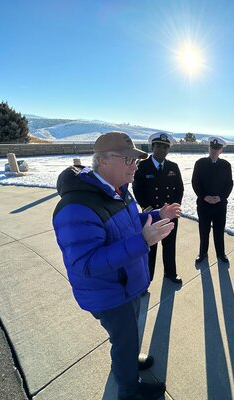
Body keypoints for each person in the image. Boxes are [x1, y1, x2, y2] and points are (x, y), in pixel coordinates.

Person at [53, 131, 181, 400]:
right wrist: (142, 242)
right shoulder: (77, 206)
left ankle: (130, 361)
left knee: (130, 336)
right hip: (109, 294)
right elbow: (86, 263)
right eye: (128, 159)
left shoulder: (119, 191)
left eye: (135, 159)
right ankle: (129, 390)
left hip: (126, 286)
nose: (135, 164)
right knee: (123, 342)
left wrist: (158, 214)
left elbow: (131, 222)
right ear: (103, 161)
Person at [132, 132, 184, 284]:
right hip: (151, 214)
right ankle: (146, 279)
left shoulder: (173, 167)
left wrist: (173, 209)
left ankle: (170, 273)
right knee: (150, 248)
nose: (162, 149)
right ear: (153, 147)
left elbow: (179, 189)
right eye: (159, 146)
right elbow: (137, 188)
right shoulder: (142, 166)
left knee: (169, 245)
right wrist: (146, 207)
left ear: (168, 150)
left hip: (169, 215)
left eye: (165, 147)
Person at [192, 137, 233, 263]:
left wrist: (221, 197)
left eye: (217, 149)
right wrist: (204, 196)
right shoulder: (200, 163)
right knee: (204, 230)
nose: (214, 151)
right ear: (208, 148)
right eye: (212, 148)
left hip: (220, 205)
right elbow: (195, 182)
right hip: (204, 204)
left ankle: (221, 253)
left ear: (221, 151)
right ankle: (202, 253)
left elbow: (229, 184)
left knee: (219, 230)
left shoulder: (226, 165)